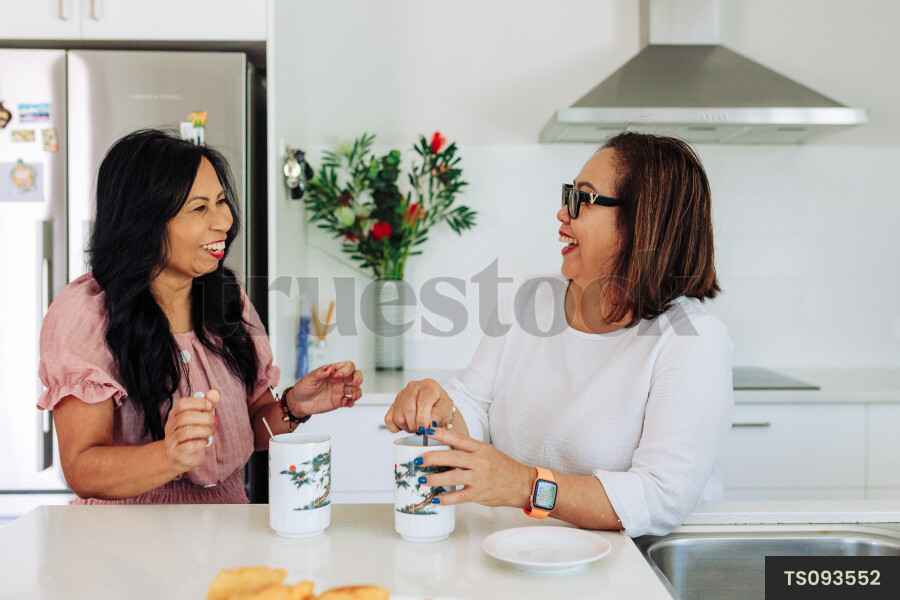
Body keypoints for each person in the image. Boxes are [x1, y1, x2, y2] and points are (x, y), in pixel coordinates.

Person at [384, 132, 733, 537]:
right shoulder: (529, 300)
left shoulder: (691, 339)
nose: (562, 214)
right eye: (569, 195)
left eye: (582, 199)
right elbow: (474, 407)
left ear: (643, 222)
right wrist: (441, 407)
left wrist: (525, 485)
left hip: (634, 567)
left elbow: (661, 497)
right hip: (522, 550)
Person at [38, 129, 363, 504]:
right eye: (199, 208)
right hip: (126, 541)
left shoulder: (227, 299)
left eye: (222, 201)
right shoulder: (87, 312)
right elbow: (82, 467)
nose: (223, 221)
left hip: (226, 525)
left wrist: (294, 407)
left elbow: (249, 432)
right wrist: (167, 455)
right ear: (143, 223)